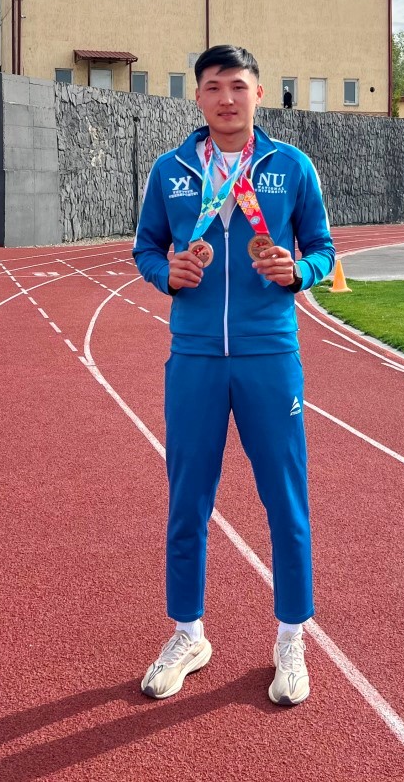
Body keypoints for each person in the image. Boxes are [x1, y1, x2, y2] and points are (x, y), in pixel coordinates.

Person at [133, 43, 335, 707]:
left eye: (238, 86)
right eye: (214, 87)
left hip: (268, 356)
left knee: (285, 501)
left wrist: (298, 271)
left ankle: (290, 638)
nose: (226, 98)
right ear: (197, 97)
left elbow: (324, 250)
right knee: (187, 500)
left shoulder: (291, 166)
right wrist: (166, 274)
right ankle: (187, 634)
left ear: (258, 94)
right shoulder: (170, 171)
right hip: (193, 357)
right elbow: (145, 247)